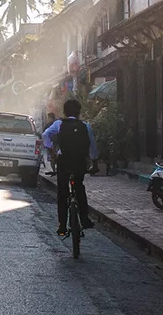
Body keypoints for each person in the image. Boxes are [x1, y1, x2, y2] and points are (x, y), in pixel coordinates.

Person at [42, 100, 100, 236]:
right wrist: (95, 164)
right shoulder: (85, 126)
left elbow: (45, 135)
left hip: (64, 162)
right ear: (79, 112)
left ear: (65, 112)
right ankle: (84, 219)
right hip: (80, 163)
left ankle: (62, 225)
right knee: (79, 187)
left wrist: (51, 151)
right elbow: (92, 146)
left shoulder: (59, 124)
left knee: (62, 192)